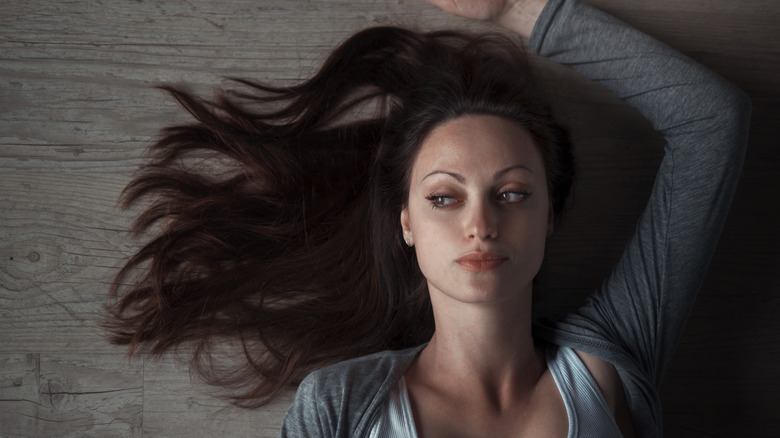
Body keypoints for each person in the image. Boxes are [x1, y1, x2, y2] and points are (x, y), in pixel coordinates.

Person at [105, 0, 750, 436]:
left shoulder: (607, 363)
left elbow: (712, 121)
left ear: (550, 215)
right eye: (445, 197)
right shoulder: (342, 407)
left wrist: (511, 8)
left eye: (513, 193)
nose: (480, 223)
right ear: (405, 221)